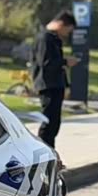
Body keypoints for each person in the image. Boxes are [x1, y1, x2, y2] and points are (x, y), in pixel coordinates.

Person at [32, 10, 80, 148]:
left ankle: (50, 151)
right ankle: (43, 151)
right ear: (60, 24)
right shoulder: (45, 38)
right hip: (48, 85)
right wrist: (65, 62)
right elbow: (46, 63)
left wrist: (66, 84)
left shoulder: (53, 39)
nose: (67, 34)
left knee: (54, 124)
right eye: (67, 30)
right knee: (48, 122)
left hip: (55, 85)